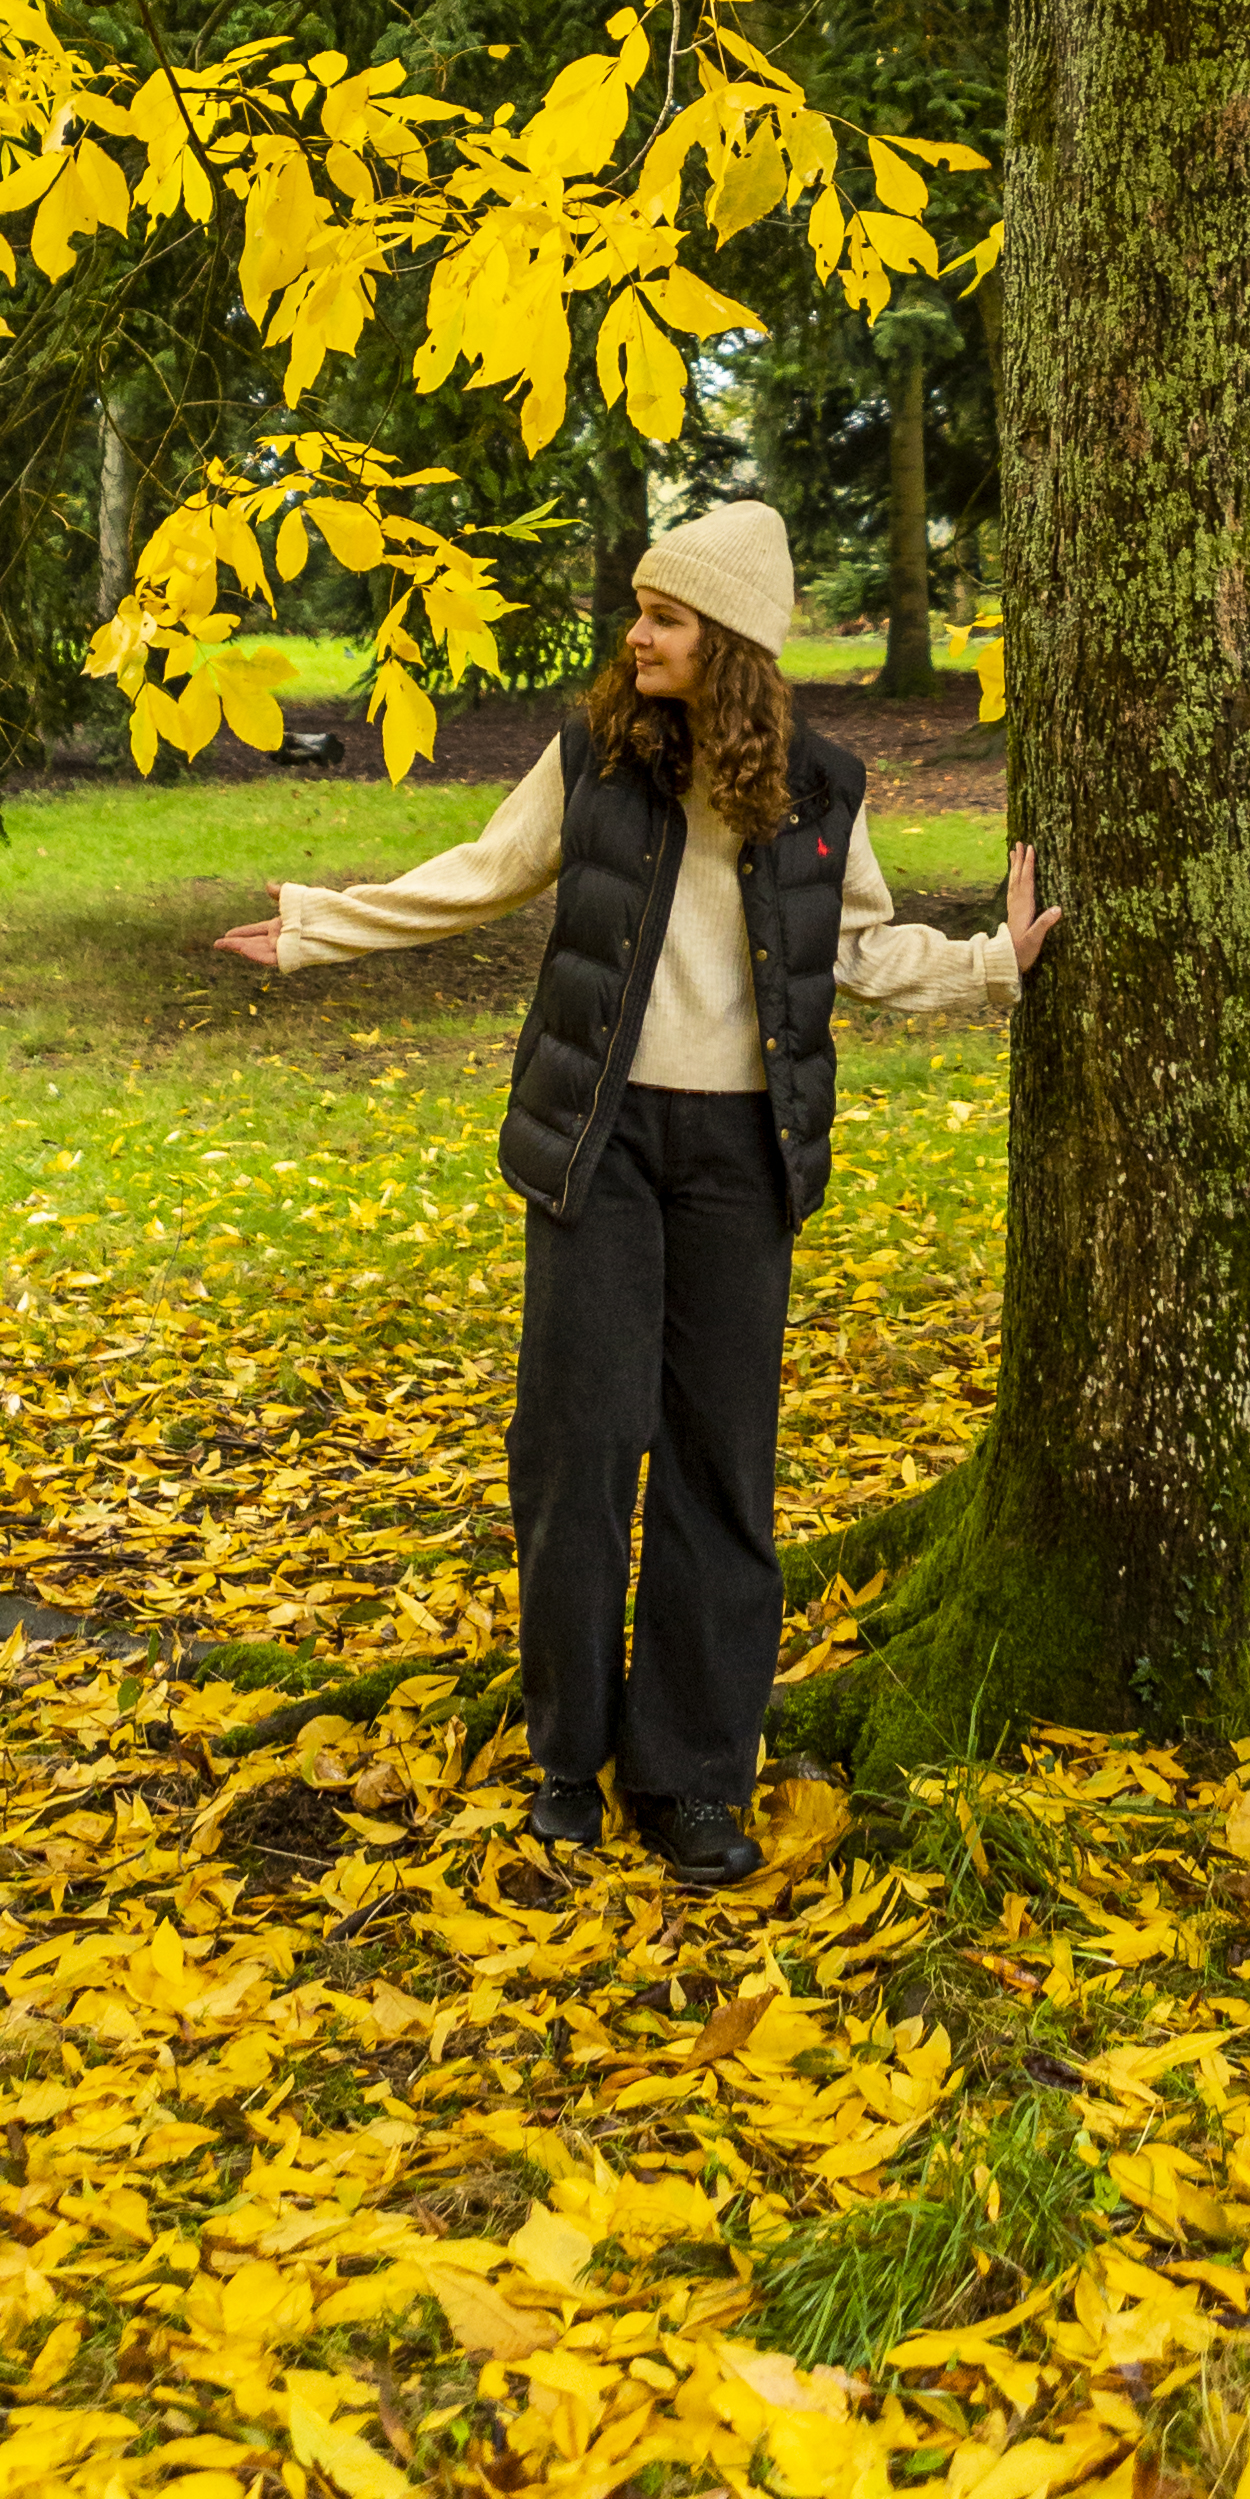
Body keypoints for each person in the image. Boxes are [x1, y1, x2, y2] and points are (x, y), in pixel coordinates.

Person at [219, 499, 1056, 1885]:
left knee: (721, 1469)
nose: (639, 633)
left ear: (726, 640)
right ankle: (569, 1754)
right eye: (642, 610)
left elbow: (860, 953)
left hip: (742, 1159)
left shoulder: (821, 787)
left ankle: (693, 1779)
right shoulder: (593, 757)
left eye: (666, 616)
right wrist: (318, 927)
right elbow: (483, 876)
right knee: (578, 1451)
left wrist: (995, 963)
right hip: (598, 1147)